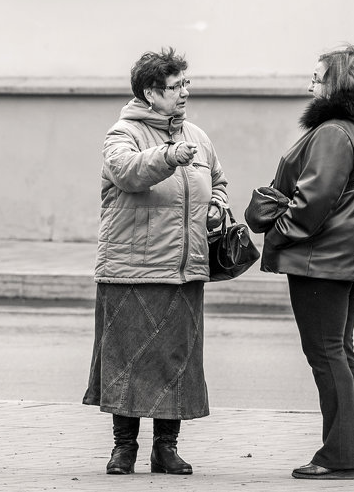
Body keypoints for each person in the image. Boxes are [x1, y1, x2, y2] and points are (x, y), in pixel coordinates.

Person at [245, 45, 354, 481]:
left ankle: (339, 456)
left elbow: (313, 203)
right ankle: (349, 452)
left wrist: (277, 233)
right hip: (347, 256)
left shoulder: (334, 133)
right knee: (340, 352)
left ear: (337, 82)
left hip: (320, 260)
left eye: (318, 76)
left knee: (326, 353)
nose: (310, 84)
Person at [83, 47, 227, 476]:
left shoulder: (197, 136)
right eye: (175, 86)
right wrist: (168, 156)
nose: (184, 93)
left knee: (174, 363)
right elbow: (126, 172)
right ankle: (123, 449)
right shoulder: (122, 133)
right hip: (132, 269)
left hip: (184, 270)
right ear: (149, 92)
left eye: (187, 83)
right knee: (127, 361)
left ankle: (166, 448)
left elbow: (217, 181)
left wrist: (217, 206)